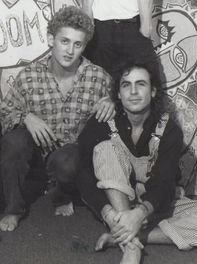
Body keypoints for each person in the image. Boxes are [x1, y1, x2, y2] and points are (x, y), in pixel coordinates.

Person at [76, 61, 197, 264]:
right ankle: (131, 248)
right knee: (105, 148)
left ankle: (129, 236)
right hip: (117, 205)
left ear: (152, 92)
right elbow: (82, 174)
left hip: (154, 206)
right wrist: (110, 213)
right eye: (126, 85)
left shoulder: (168, 128)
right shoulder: (102, 122)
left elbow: (164, 182)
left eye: (140, 84)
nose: (133, 92)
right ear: (118, 94)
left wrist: (139, 215)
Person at [0, 6, 115, 232]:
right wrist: (26, 117)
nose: (70, 50)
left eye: (78, 44)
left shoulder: (98, 77)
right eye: (64, 41)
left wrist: (113, 102)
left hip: (69, 160)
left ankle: (62, 194)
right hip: (33, 159)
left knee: (71, 158)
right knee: (14, 141)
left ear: (84, 46)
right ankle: (13, 209)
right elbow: (4, 114)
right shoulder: (29, 75)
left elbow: (126, 103)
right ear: (51, 39)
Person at [82, 0, 163, 82]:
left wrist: (146, 27)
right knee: (99, 85)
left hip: (133, 25)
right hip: (101, 30)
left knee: (149, 82)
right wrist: (88, 24)